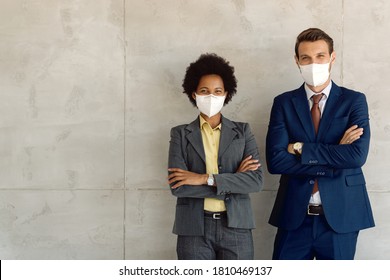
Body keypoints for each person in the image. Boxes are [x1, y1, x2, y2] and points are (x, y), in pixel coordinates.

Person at [266, 28, 375, 260]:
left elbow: (356, 156)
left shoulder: (354, 101)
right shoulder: (283, 103)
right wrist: (335, 157)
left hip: (341, 217)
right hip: (294, 217)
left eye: (320, 56)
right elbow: (275, 161)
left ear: (332, 58)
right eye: (306, 58)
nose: (312, 63)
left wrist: (299, 148)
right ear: (297, 61)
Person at [168, 53, 263, 260]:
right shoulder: (180, 134)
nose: (211, 96)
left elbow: (255, 181)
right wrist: (233, 180)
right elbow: (179, 186)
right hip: (193, 228)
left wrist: (203, 178)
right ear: (194, 94)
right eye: (205, 91)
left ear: (226, 94)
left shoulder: (243, 131)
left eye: (217, 91)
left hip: (236, 226)